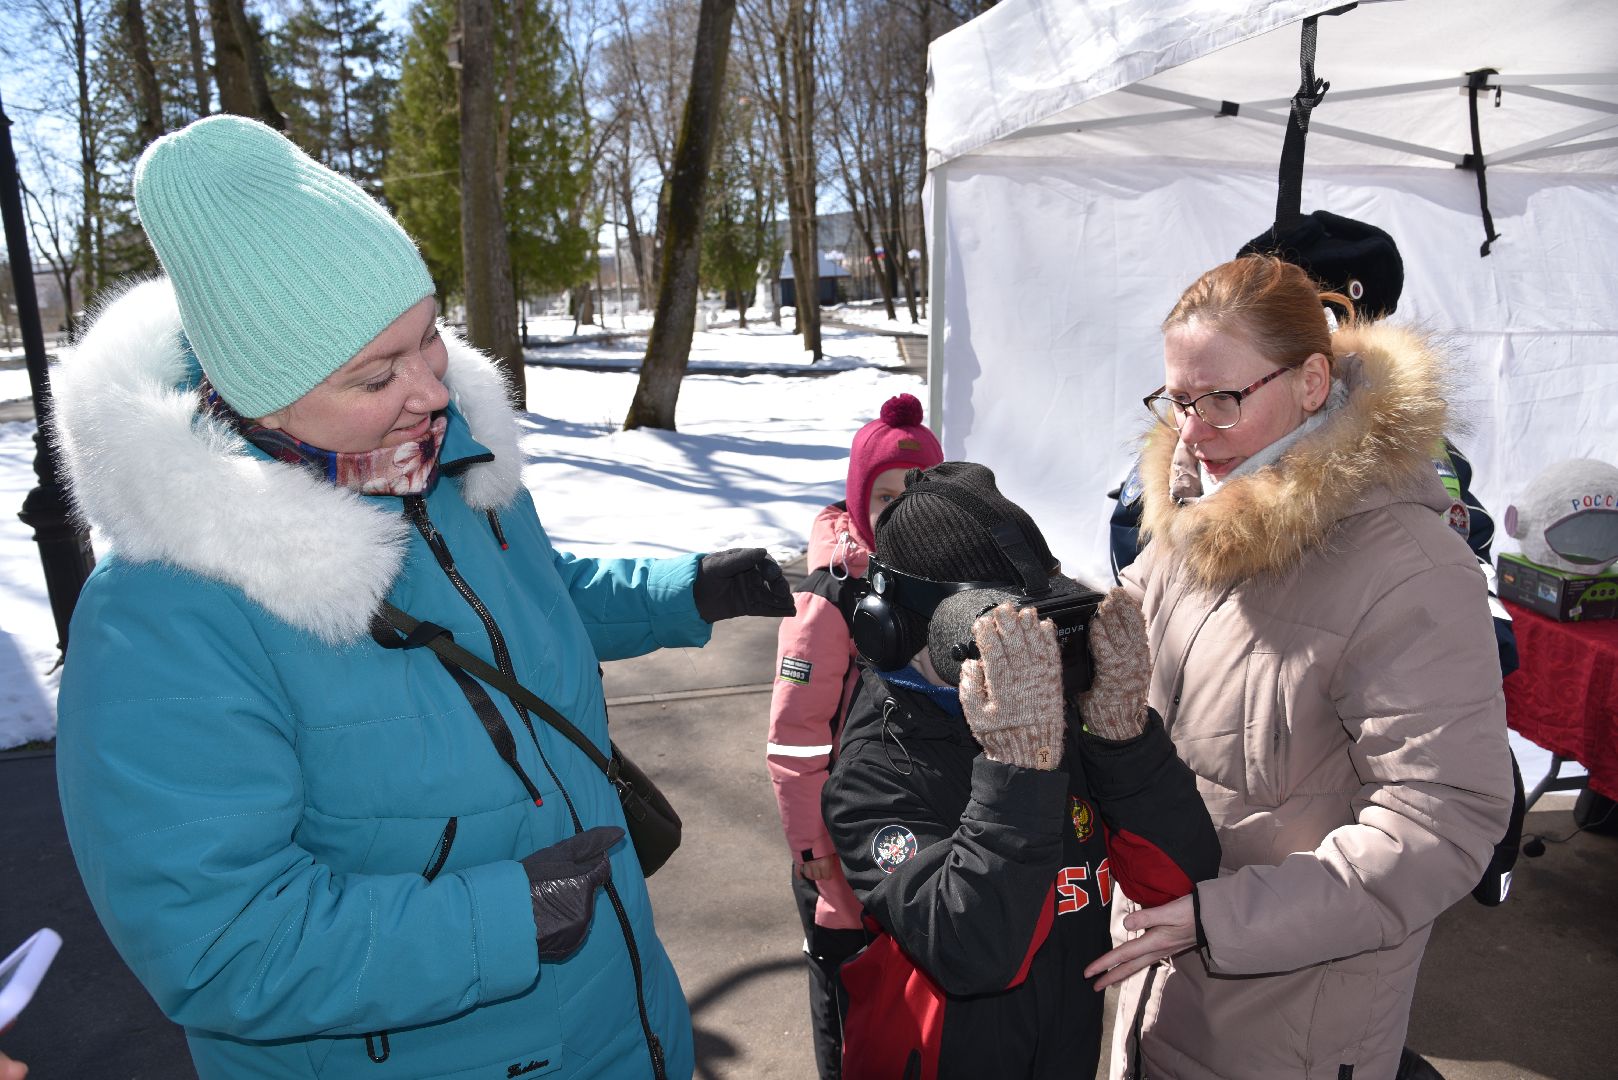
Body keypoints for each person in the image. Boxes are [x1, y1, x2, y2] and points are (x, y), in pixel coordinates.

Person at [49, 115, 793, 1080]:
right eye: (376, 373)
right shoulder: (162, 618)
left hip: (617, 1018)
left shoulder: (443, 471)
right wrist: (499, 921)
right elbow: (220, 943)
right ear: (259, 397)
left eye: (428, 337)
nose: (432, 389)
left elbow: (526, 601)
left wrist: (682, 591)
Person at [1086, 255, 1515, 1080]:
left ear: (1314, 381)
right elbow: (1124, 645)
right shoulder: (1198, 518)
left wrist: (1218, 920)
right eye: (1176, 401)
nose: (1193, 431)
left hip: (1291, 1018)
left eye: (1221, 399)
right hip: (1160, 974)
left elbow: (1443, 822)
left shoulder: (1410, 568)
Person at [821, 462, 1220, 1079]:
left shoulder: (1049, 713)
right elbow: (974, 951)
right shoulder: (875, 769)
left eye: (1042, 625)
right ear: (895, 628)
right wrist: (1016, 770)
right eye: (998, 633)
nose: (1031, 657)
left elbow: (1180, 880)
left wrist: (1121, 736)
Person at [765, 393, 942, 1078]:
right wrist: (812, 845)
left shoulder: (939, 582)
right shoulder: (829, 596)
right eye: (885, 492)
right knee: (848, 1008)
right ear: (858, 498)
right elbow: (795, 735)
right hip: (837, 850)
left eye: (918, 488)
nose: (900, 506)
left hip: (912, 838)